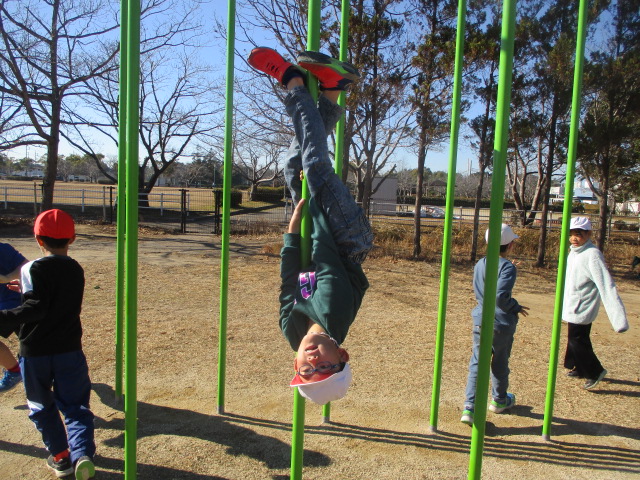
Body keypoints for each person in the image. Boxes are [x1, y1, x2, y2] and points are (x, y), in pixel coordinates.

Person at [248, 47, 373, 405]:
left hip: (313, 237)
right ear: (342, 355)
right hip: (345, 239)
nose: (314, 363)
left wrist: (290, 235)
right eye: (326, 368)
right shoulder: (334, 314)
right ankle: (294, 83)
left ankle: (333, 88)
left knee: (293, 167)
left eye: (306, 371)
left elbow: (289, 284)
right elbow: (327, 260)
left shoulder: (292, 331)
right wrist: (313, 207)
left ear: (295, 362)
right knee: (315, 168)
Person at [0, 209, 96, 479]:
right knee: (76, 406)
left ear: (38, 240)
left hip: (35, 351)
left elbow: (37, 308)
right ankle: (83, 454)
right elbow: (52, 298)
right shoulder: (76, 268)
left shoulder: (31, 268)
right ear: (72, 238)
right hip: (69, 349)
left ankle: (61, 457)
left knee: (41, 406)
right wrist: (28, 292)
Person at [461, 224, 529, 425]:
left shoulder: (481, 263)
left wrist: (508, 265)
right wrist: (514, 307)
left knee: (477, 363)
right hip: (500, 323)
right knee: (499, 363)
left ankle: (469, 407)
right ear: (509, 246)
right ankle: (499, 400)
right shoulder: (507, 267)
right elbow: (500, 296)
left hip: (481, 320)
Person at [562, 216, 628, 390]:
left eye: (579, 234)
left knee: (576, 339)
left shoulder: (592, 255)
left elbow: (606, 285)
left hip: (582, 305)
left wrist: (618, 319)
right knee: (579, 337)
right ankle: (578, 366)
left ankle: (594, 371)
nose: (574, 238)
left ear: (589, 233)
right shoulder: (574, 252)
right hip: (574, 302)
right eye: (571, 234)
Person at [0, 242, 28, 392]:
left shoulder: (2, 249)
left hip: (13, 304)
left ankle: (15, 371)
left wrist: (7, 278)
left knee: (33, 342)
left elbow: (27, 267)